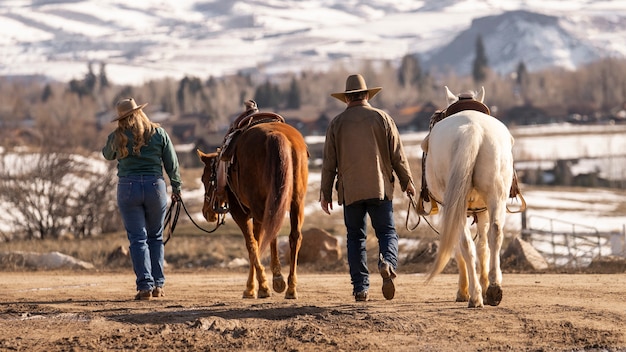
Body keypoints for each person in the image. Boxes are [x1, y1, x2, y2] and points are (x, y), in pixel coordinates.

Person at [320, 74, 415, 302]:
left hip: (350, 191)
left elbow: (329, 162)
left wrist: (325, 193)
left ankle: (361, 288)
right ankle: (387, 263)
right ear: (366, 95)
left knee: (355, 238)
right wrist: (407, 181)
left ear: (347, 99)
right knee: (387, 232)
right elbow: (397, 155)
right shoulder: (382, 118)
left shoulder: (336, 124)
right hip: (380, 188)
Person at [102, 98, 182, 300]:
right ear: (140, 113)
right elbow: (172, 163)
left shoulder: (117, 136)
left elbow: (107, 154)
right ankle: (158, 286)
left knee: (138, 238)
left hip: (128, 188)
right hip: (155, 187)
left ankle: (145, 286)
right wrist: (177, 188)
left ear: (121, 118)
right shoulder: (159, 133)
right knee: (155, 237)